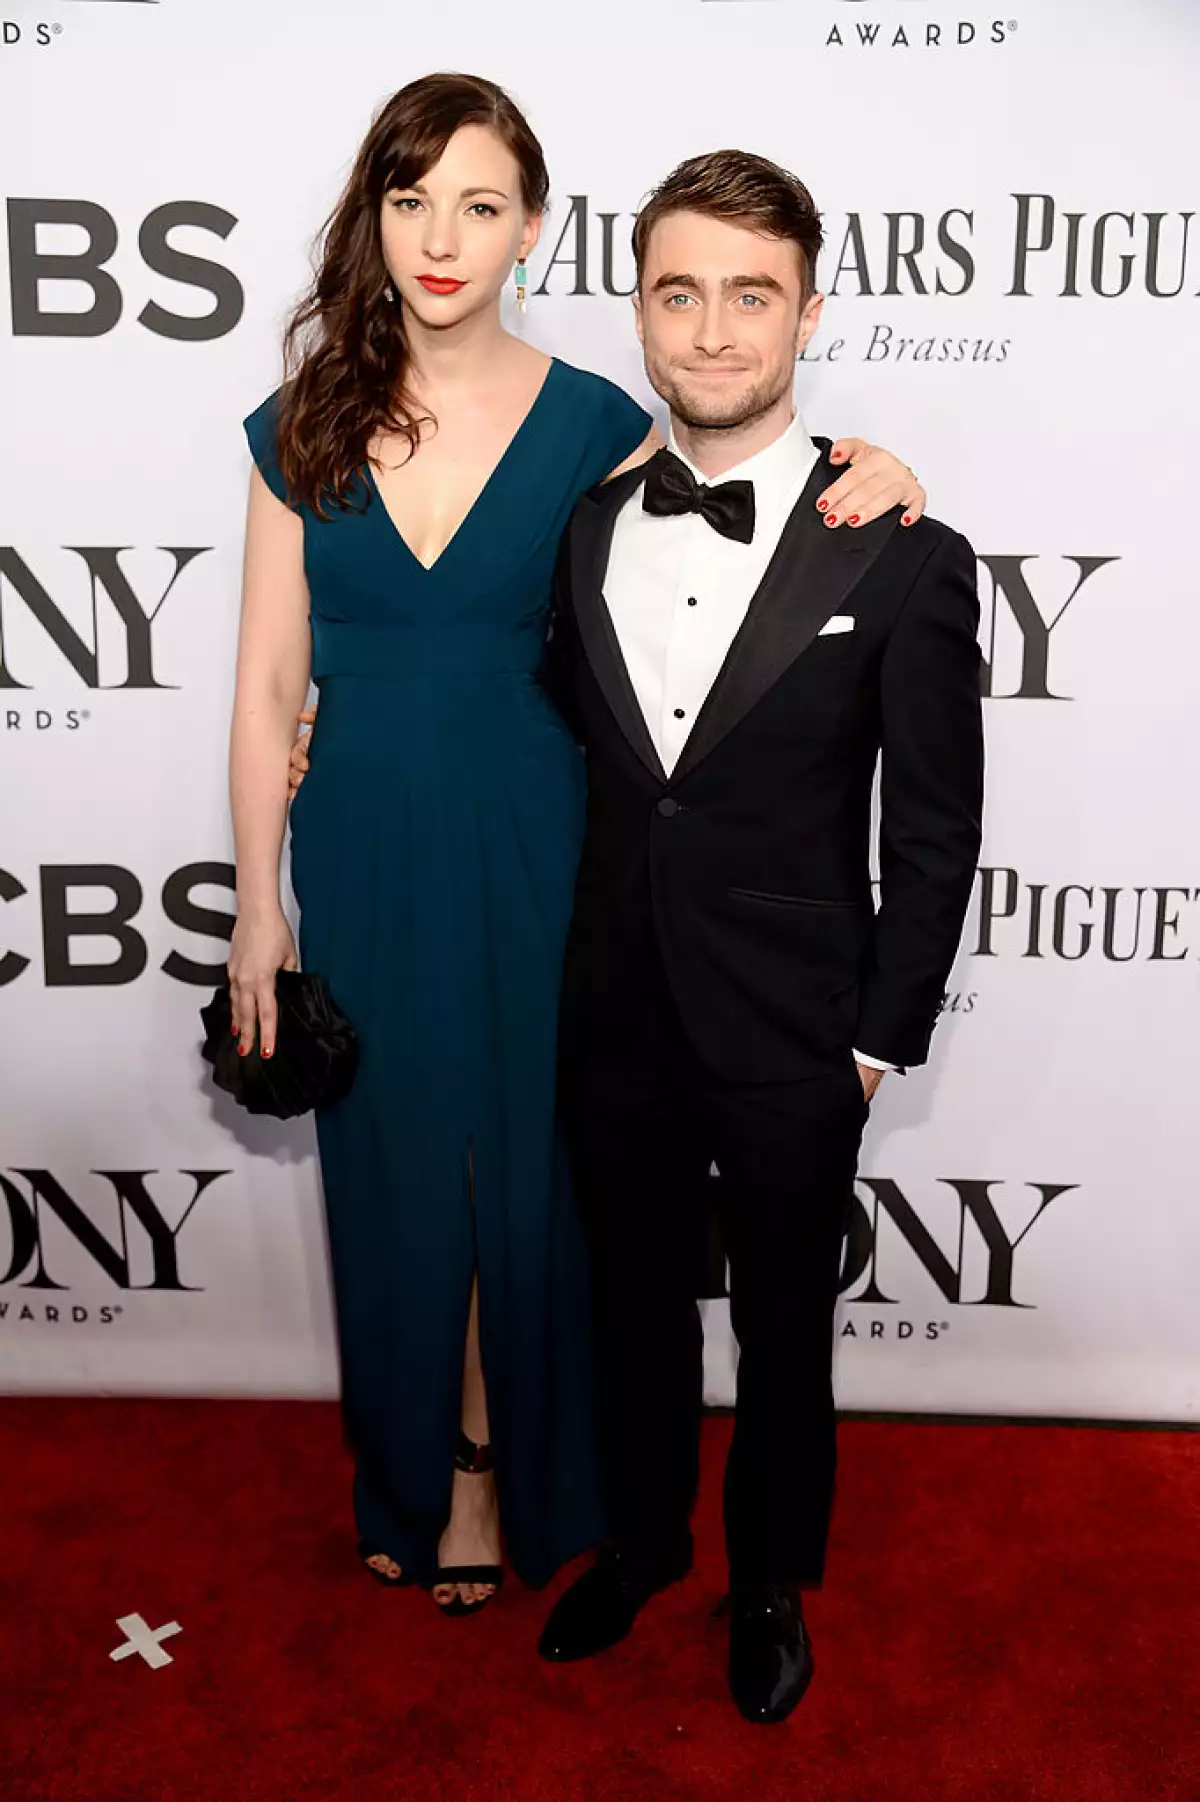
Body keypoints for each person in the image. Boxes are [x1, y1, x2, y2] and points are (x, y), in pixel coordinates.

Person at [237, 72, 926, 1615]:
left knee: (540, 1181)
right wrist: (254, 905)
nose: (441, 235)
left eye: (480, 203)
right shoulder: (301, 425)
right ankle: (418, 1473)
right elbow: (265, 683)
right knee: (397, 1166)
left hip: (552, 841)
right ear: (373, 214)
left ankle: (517, 1465)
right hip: (364, 839)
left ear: (532, 231)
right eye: (411, 199)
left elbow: (739, 499)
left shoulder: (604, 427)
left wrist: (888, 474)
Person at [534, 151, 984, 1722]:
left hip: (801, 1023)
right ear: (637, 307)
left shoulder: (903, 547)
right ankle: (645, 1540)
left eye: (750, 294)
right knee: (630, 1301)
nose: (713, 332)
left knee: (791, 1324)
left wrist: (876, 1039)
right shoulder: (583, 532)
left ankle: (772, 1573)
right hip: (613, 1002)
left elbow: (933, 828)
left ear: (807, 308)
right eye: (679, 292)